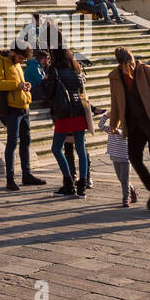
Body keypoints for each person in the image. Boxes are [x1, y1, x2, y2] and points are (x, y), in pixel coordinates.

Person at [108, 47, 150, 215]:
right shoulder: (115, 77)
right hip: (134, 125)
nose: (132, 67)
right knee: (134, 158)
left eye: (133, 62)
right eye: (129, 65)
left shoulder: (145, 70)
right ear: (121, 65)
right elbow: (115, 101)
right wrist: (114, 123)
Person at [0, 45, 46, 191]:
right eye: (21, 58)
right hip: (12, 108)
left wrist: (26, 86)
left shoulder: (16, 63)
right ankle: (10, 178)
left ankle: (26, 175)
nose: (21, 62)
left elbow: (19, 83)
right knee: (12, 143)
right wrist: (18, 85)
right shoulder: (0, 60)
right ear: (14, 52)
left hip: (24, 106)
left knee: (26, 141)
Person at [43, 43, 91, 198]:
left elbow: (49, 94)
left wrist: (45, 80)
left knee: (56, 148)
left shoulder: (54, 70)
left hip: (64, 113)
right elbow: (81, 90)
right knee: (81, 149)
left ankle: (69, 182)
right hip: (79, 112)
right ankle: (82, 185)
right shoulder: (76, 68)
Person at [97, 109, 137, 208]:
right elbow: (100, 125)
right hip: (114, 156)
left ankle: (125, 198)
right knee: (121, 178)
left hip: (125, 157)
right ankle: (132, 189)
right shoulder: (110, 129)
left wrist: (117, 131)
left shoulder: (126, 127)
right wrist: (106, 116)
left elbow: (125, 133)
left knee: (124, 179)